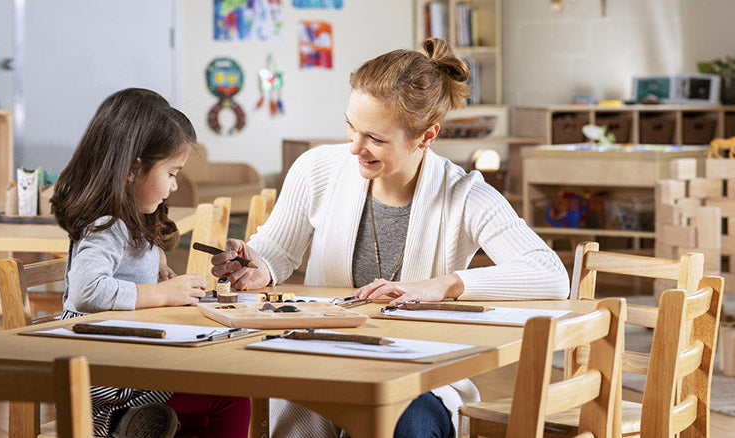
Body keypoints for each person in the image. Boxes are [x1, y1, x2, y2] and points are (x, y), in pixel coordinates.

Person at [210, 39, 570, 437]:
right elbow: (277, 249)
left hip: (420, 374)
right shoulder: (317, 168)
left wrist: (443, 285)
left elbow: (550, 274)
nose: (354, 147)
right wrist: (258, 264)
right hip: (317, 359)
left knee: (408, 426)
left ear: (426, 137)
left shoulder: (465, 194)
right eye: (350, 125)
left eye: (375, 139)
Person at [50, 88, 250, 438]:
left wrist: (156, 264)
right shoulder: (105, 225)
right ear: (132, 169)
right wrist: (161, 293)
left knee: (207, 400)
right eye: (172, 173)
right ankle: (116, 425)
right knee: (230, 396)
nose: (174, 186)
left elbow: (123, 270)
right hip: (105, 378)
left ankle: (144, 424)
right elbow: (86, 290)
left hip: (126, 360)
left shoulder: (127, 221)